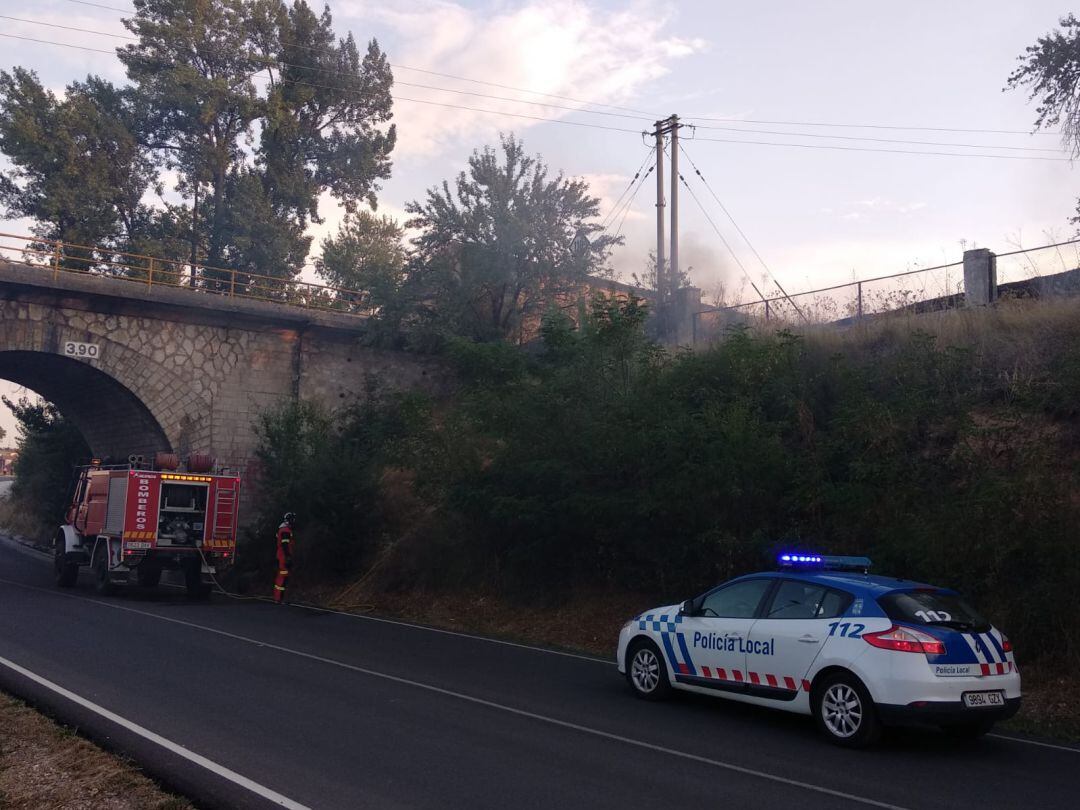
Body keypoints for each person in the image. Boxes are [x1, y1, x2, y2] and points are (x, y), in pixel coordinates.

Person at [274, 512, 296, 604]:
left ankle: (278, 598)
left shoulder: (282, 529)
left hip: (281, 556)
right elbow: (285, 545)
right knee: (283, 577)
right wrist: (288, 557)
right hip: (283, 557)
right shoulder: (285, 531)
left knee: (282, 577)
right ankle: (280, 599)